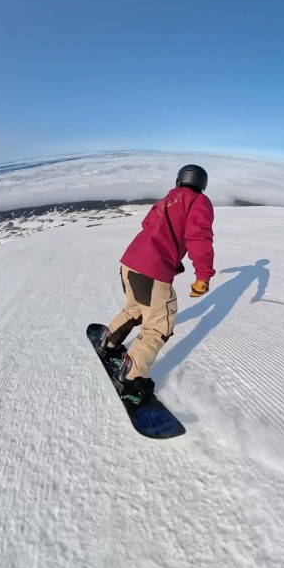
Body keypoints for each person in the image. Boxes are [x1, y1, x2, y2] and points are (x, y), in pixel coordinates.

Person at [97, 164, 215, 406]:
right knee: (159, 325)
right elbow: (198, 237)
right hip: (153, 271)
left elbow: (149, 228)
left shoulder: (166, 199)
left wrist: (170, 259)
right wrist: (202, 275)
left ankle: (108, 341)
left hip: (130, 263)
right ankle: (132, 378)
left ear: (179, 180)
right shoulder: (199, 202)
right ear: (201, 184)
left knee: (135, 309)